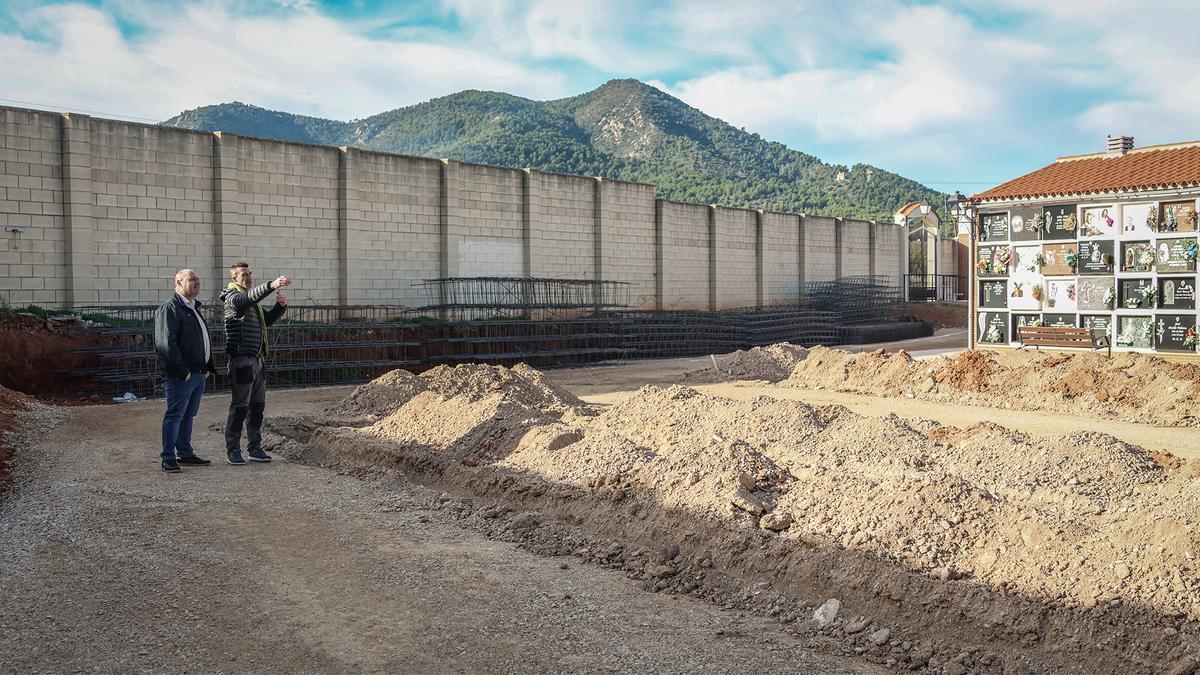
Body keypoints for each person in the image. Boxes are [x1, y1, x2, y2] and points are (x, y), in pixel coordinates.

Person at [220, 262, 292, 465]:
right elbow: (247, 298)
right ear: (234, 279)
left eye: (250, 273)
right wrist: (272, 285)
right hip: (242, 360)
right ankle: (233, 449)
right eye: (244, 274)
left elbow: (265, 321)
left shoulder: (252, 301)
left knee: (257, 406)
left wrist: (280, 307)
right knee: (240, 407)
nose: (249, 277)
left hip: (259, 360)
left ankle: (255, 447)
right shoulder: (233, 297)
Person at [154, 269, 216, 473]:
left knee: (188, 415)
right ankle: (168, 457)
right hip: (183, 375)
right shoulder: (170, 309)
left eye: (198, 279)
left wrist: (206, 368)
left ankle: (185, 453)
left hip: (198, 373)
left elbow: (200, 339)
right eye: (192, 279)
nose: (197, 282)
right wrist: (183, 372)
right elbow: (166, 344)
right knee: (175, 415)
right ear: (179, 283)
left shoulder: (192, 308)